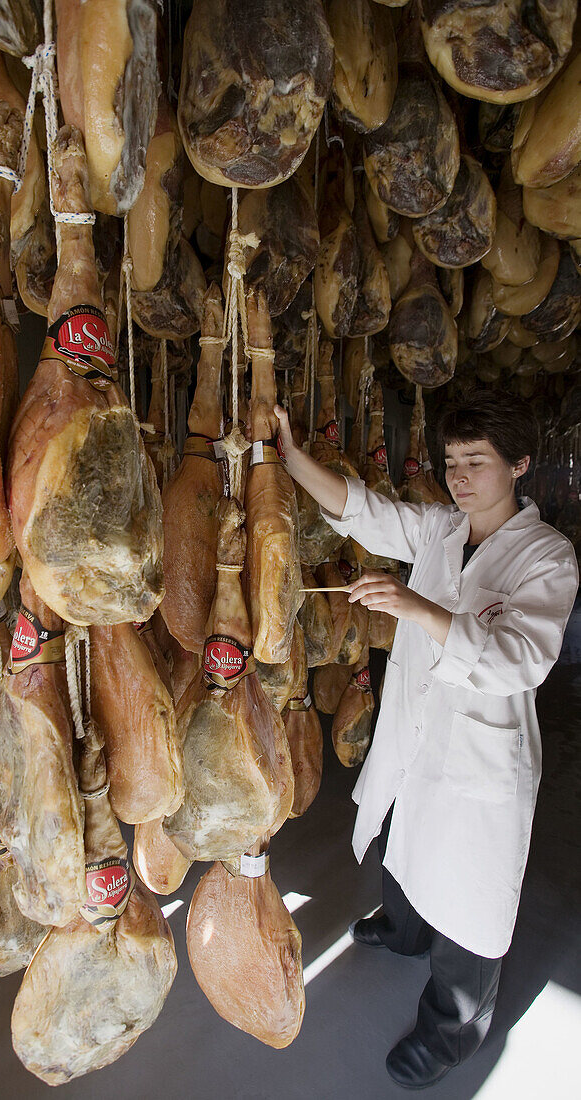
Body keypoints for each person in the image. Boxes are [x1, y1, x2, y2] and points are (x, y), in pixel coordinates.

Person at [274, 389, 579, 1090]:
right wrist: (291, 457)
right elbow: (366, 513)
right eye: (451, 462)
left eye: (477, 461)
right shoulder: (442, 528)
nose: (460, 477)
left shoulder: (548, 557)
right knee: (404, 839)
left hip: (481, 757)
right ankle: (406, 930)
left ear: (521, 465)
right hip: (417, 730)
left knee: (468, 893)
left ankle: (453, 1029)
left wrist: (417, 606)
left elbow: (519, 661)